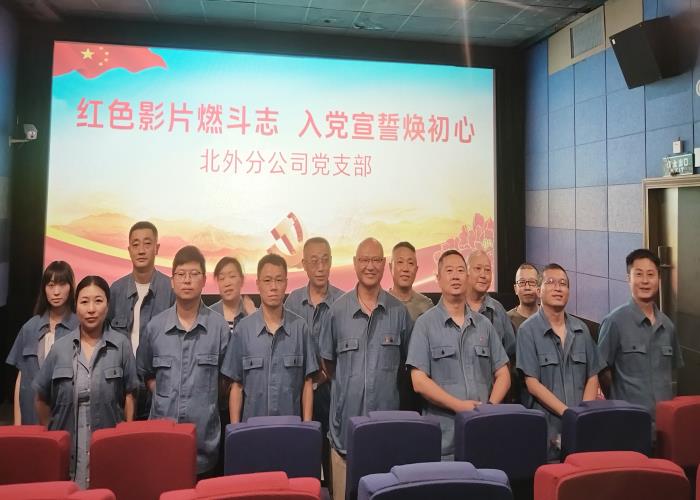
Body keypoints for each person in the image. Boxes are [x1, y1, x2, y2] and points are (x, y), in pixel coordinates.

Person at [319, 237, 412, 500]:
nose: (370, 266)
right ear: (354, 263)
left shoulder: (399, 312)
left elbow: (406, 367)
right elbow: (328, 364)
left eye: (375, 260)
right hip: (344, 434)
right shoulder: (337, 311)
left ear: (384, 264)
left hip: (386, 432)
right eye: (364, 260)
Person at [34, 276, 138, 489]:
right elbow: (41, 397)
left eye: (98, 301)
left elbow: (130, 395)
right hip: (67, 456)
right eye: (84, 301)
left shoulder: (121, 346)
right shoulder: (60, 349)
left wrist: (125, 435)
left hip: (109, 453)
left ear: (108, 305)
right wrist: (54, 434)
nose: (91, 309)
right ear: (76, 305)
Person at [407, 250, 510, 459]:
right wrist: (459, 407)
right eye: (449, 271)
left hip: (482, 433)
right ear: (438, 278)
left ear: (467, 277)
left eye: (460, 270)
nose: (455, 276)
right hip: (444, 439)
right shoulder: (425, 324)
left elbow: (503, 374)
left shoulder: (484, 325)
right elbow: (418, 381)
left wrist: (489, 409)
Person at [136, 245, 229, 476]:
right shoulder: (155, 327)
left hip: (205, 446)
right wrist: (164, 395)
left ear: (204, 280)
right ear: (172, 281)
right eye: (181, 274)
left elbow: (226, 380)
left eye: (194, 274)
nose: (187, 280)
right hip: (162, 441)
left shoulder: (219, 328)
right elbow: (146, 372)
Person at [516, 263, 603, 460]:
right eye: (551, 282)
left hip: (581, 427)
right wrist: (568, 414)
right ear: (539, 291)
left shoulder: (581, 330)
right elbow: (532, 384)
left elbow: (592, 376)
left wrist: (583, 413)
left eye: (563, 283)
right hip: (546, 430)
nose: (558, 288)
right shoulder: (527, 331)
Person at [223, 254, 317, 423]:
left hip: (291, 428)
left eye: (279, 280)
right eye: (267, 281)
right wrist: (235, 430)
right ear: (258, 284)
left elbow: (307, 382)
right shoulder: (243, 330)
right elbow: (236, 385)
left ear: (286, 283)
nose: (273, 287)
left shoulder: (300, 328)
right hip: (252, 429)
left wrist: (307, 426)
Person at [284, 237, 343, 486]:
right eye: (314, 261)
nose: (320, 267)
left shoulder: (343, 302)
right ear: (304, 265)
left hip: (333, 393)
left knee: (332, 462)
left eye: (325, 260)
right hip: (298, 393)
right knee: (298, 460)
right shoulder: (292, 302)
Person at [597, 249, 683, 419]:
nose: (645, 281)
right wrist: (618, 404)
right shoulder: (614, 322)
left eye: (650, 274)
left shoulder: (668, 325)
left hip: (664, 421)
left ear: (658, 278)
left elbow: (671, 372)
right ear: (628, 278)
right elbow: (601, 370)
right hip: (628, 421)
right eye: (638, 274)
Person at [108, 221, 175, 419]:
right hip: (122, 387)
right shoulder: (115, 290)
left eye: (147, 243)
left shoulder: (170, 289)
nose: (141, 250)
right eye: (135, 244)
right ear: (129, 250)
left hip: (159, 386)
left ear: (157, 248)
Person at [6, 261, 78, 425]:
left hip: (66, 417)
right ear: (44, 288)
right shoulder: (30, 327)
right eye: (51, 285)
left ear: (71, 287)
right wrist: (18, 424)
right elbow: (21, 378)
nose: (56, 292)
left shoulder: (79, 327)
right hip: (31, 415)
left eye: (62, 284)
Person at [465, 250, 516, 357]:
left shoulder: (498, 310)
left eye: (487, 270)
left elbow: (511, 353)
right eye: (478, 268)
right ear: (466, 272)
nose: (483, 275)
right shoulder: (455, 307)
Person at [388, 241, 433, 322]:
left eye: (410, 263)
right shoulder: (380, 304)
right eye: (400, 262)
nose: (405, 269)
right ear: (391, 267)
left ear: (416, 269)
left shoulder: (426, 306)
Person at [210, 256, 256, 335]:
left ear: (242, 280)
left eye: (232, 276)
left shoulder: (254, 314)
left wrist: (253, 316)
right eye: (222, 278)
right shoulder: (209, 315)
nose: (227, 283)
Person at [507, 263, 539, 331]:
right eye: (522, 282)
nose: (527, 287)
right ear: (515, 289)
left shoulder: (549, 316)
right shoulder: (506, 320)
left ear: (539, 287)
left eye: (532, 282)